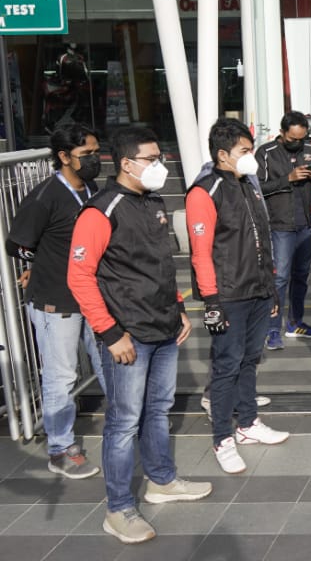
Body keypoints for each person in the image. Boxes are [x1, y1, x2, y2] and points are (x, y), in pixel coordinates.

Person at [67, 126, 211, 544]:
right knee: (124, 422)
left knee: (158, 410)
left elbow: (161, 263)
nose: (159, 165)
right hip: (127, 335)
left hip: (163, 328)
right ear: (126, 163)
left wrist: (179, 308)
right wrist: (111, 333)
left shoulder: (153, 202)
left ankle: (162, 481)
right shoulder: (101, 210)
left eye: (159, 157)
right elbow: (79, 276)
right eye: (151, 159)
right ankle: (118, 509)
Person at [187, 118, 291, 475]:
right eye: (244, 151)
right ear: (222, 155)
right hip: (228, 295)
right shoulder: (204, 191)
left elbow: (262, 238)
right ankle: (222, 438)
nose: (251, 156)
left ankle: (248, 423)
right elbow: (201, 252)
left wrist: (270, 287)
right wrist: (211, 300)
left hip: (258, 289)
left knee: (250, 360)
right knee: (226, 366)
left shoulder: (248, 184)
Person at [4, 123, 105, 479]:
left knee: (107, 363)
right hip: (56, 301)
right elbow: (16, 244)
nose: (94, 159)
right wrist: (41, 263)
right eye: (86, 154)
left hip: (92, 296)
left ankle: (128, 423)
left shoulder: (90, 189)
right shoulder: (45, 197)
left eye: (96, 152)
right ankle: (60, 448)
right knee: (61, 376)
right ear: (64, 156)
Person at [256, 111, 311, 349]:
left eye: (302, 139)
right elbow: (257, 188)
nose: (298, 143)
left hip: (306, 223)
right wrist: (289, 178)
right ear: (282, 133)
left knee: (301, 275)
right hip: (280, 224)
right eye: (293, 139)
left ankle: (295, 322)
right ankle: (272, 328)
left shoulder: (310, 150)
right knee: (280, 277)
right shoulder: (266, 152)